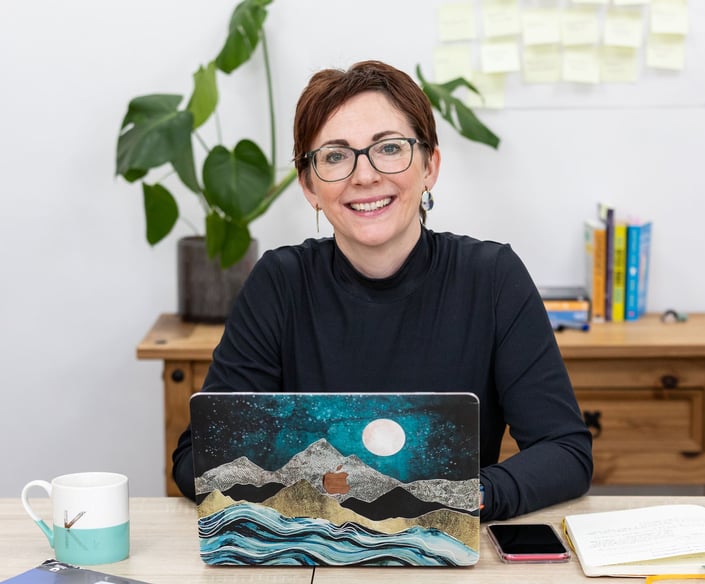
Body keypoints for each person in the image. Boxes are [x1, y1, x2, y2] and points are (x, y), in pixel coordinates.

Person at [172, 60, 593, 521]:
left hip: (447, 546)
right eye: (335, 156)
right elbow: (199, 459)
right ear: (309, 185)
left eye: (389, 148)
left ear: (430, 166)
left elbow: (565, 451)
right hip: (312, 550)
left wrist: (458, 498)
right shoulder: (279, 283)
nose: (365, 175)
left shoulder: (492, 278)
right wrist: (328, 496)